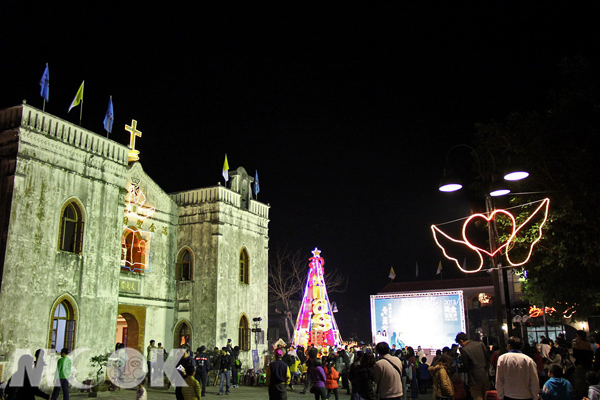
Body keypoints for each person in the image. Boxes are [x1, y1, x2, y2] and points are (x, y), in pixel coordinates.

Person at [455, 332, 490, 400]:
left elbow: (466, 366)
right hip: (485, 375)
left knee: (477, 396)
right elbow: (487, 357)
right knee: (487, 396)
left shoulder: (464, 350)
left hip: (474, 378)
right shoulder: (480, 344)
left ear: (461, 341)